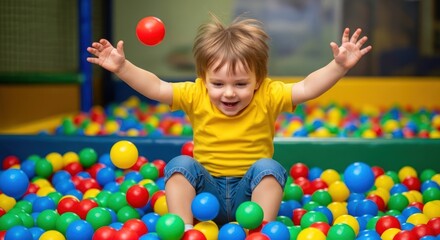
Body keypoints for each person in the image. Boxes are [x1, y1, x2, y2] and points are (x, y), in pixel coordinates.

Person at [87, 14, 371, 228]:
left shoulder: (269, 94)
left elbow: (307, 87)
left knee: (269, 168)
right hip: (205, 188)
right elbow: (157, 87)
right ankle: (184, 228)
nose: (229, 92)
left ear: (258, 80)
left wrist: (338, 66)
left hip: (249, 194)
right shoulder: (195, 93)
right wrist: (122, 67)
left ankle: (260, 229)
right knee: (180, 166)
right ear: (204, 79)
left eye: (241, 83)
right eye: (218, 83)